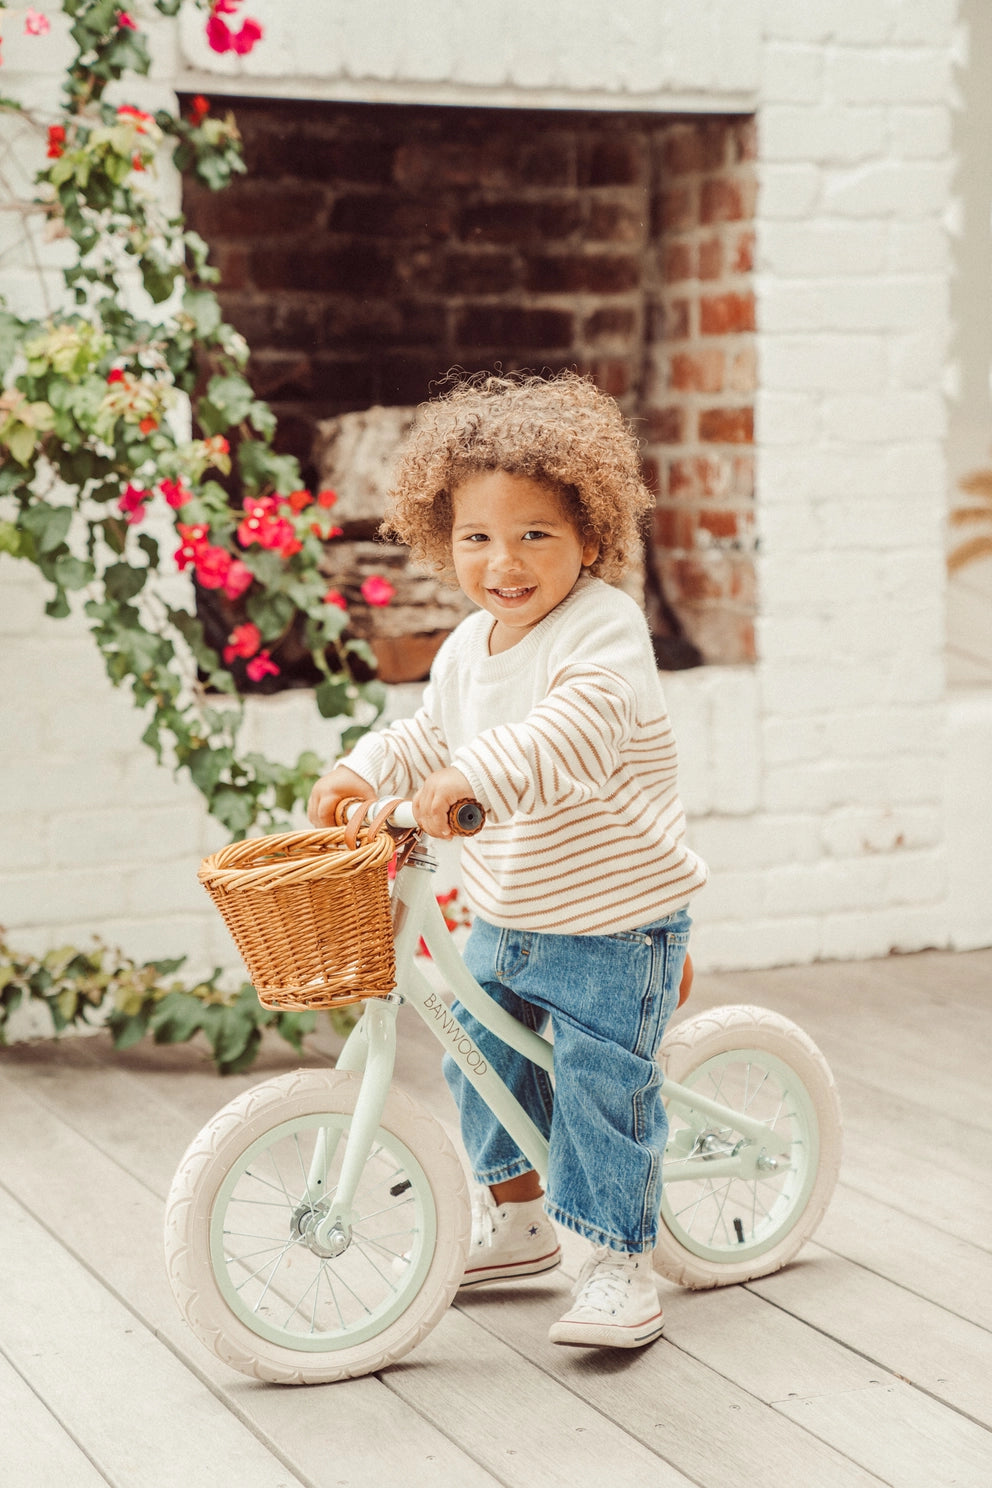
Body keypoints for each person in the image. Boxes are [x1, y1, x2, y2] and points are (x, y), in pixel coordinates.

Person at [308, 370, 707, 1349]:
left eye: (535, 534)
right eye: (477, 537)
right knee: (476, 1058)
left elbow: (569, 732)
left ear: (590, 536)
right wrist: (362, 770)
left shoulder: (603, 630)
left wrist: (474, 774)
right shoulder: (464, 649)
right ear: (442, 540)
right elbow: (427, 733)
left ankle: (618, 1262)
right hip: (504, 913)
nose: (504, 562)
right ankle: (518, 1219)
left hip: (611, 922)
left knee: (599, 1086)